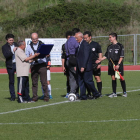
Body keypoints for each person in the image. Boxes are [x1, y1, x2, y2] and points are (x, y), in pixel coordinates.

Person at [97, 33, 127, 98]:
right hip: (111, 64)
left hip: (118, 64)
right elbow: (106, 55)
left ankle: (124, 92)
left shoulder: (120, 46)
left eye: (110, 37)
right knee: (113, 78)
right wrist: (100, 59)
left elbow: (121, 56)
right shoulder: (109, 46)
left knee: (121, 78)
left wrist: (118, 64)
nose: (109, 39)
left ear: (114, 37)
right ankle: (114, 93)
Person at [75, 32, 101, 100]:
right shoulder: (80, 44)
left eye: (76, 38)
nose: (76, 39)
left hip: (86, 67)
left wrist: (83, 66)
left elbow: (86, 56)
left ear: (81, 37)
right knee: (81, 81)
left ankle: (96, 94)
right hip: (80, 67)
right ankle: (83, 96)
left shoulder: (85, 45)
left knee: (88, 81)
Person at [26, 33, 49, 102]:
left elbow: (47, 54)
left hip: (42, 65)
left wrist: (47, 55)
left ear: (38, 38)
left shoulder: (42, 45)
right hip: (33, 65)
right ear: (31, 39)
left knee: (44, 82)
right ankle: (34, 97)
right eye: (33, 39)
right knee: (34, 83)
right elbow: (26, 58)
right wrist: (30, 57)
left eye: (36, 39)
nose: (35, 40)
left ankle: (46, 96)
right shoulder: (29, 47)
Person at [83, 31, 102, 96]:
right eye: (84, 38)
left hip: (95, 64)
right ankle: (89, 93)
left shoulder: (95, 44)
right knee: (88, 79)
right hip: (87, 65)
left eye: (86, 38)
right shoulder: (84, 45)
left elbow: (100, 52)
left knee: (97, 77)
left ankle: (99, 92)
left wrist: (99, 62)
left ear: (90, 37)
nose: (85, 39)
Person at [2, 34, 18, 101]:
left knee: (21, 80)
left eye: (12, 40)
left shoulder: (16, 44)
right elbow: (6, 56)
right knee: (11, 81)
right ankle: (13, 96)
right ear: (7, 40)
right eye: (10, 40)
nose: (11, 41)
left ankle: (21, 95)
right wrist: (12, 51)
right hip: (10, 65)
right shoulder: (4, 47)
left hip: (18, 65)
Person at [65, 28, 80, 98]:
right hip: (74, 59)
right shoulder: (75, 41)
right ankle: (76, 92)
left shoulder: (67, 41)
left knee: (71, 77)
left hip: (68, 59)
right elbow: (78, 48)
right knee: (78, 76)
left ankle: (72, 92)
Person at [61, 31, 73, 98]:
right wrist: (63, 66)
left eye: (70, 37)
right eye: (68, 38)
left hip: (73, 64)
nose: (69, 39)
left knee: (74, 78)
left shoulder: (75, 45)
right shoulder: (64, 45)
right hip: (67, 64)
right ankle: (68, 92)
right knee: (68, 78)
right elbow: (63, 56)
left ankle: (75, 92)